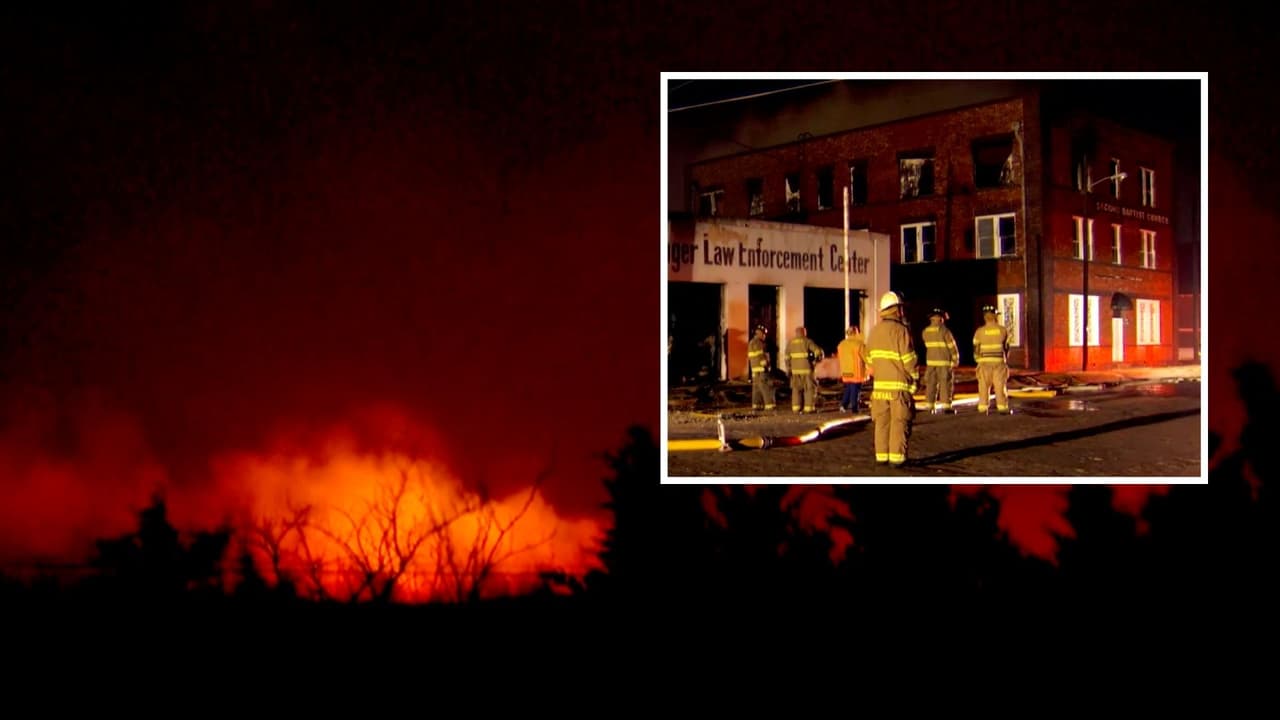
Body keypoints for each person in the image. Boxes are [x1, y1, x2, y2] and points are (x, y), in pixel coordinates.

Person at [866, 291, 917, 468]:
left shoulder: (873, 332)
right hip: (898, 387)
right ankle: (897, 458)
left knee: (881, 422)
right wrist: (915, 379)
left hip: (879, 388)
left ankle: (881, 456)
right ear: (896, 310)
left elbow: (869, 360)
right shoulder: (901, 331)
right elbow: (909, 359)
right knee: (899, 422)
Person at [973, 304, 1011, 414]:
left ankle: (983, 407)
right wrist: (1005, 359)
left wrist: (978, 360)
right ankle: (1002, 407)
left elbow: (976, 348)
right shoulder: (1003, 330)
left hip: (984, 362)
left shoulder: (979, 331)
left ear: (985, 317)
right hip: (998, 362)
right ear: (995, 316)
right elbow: (1007, 347)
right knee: (1000, 385)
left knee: (983, 386)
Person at [922, 308, 960, 414]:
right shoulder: (944, 331)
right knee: (945, 384)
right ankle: (946, 406)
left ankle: (930, 406)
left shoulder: (925, 331)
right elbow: (952, 346)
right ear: (939, 318)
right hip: (944, 363)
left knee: (930, 385)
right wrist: (956, 359)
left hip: (930, 363)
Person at [786, 326, 823, 413]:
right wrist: (817, 360)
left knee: (796, 390)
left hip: (795, 372)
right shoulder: (807, 341)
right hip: (807, 371)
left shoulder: (790, 343)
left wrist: (789, 369)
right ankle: (809, 408)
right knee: (809, 389)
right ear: (804, 333)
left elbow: (787, 358)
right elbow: (818, 352)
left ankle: (796, 408)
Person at [836, 326, 869, 412]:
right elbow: (866, 357)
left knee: (849, 388)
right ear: (855, 333)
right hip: (856, 371)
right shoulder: (859, 344)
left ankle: (844, 405)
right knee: (855, 389)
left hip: (845, 371)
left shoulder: (841, 344)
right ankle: (854, 407)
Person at [747, 325, 776, 412]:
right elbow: (761, 356)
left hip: (755, 370)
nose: (764, 336)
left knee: (757, 388)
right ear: (758, 333)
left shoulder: (751, 343)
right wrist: (767, 366)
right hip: (762, 369)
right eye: (763, 334)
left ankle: (757, 405)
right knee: (767, 387)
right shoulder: (759, 343)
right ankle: (770, 405)